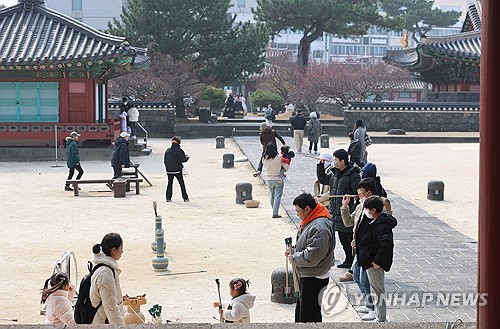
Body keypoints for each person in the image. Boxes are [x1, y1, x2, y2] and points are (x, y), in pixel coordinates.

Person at [340, 178, 387, 320]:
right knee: (356, 277)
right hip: (360, 251)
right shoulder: (361, 206)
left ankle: (374, 309)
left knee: (367, 281)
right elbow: (349, 222)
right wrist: (344, 207)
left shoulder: (376, 210)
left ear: (369, 192)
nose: (358, 193)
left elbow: (377, 236)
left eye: (361, 190)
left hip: (370, 253)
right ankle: (369, 305)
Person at [287, 193, 333, 322]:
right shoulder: (311, 219)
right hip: (308, 273)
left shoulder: (319, 227)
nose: (297, 215)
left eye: (298, 211)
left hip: (314, 276)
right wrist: (294, 251)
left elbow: (313, 256)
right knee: (303, 313)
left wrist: (295, 257)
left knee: (309, 315)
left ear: (307, 209)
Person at [355, 196, 397, 322]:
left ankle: (381, 318)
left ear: (373, 210)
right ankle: (380, 316)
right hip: (370, 260)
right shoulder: (374, 221)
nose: (366, 211)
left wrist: (377, 262)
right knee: (375, 290)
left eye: (367, 209)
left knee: (378, 291)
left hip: (375, 263)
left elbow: (386, 245)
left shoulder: (381, 225)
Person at [317, 149, 361, 269]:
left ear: (342, 161)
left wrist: (351, 205)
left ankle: (352, 261)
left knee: (348, 238)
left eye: (336, 160)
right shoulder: (333, 173)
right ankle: (348, 259)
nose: (334, 162)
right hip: (335, 211)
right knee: (342, 238)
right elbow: (322, 179)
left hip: (347, 211)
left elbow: (358, 193)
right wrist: (320, 165)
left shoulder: (353, 175)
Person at [90, 233, 125, 324]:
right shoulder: (105, 273)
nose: (122, 251)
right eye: (121, 248)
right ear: (113, 250)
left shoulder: (105, 268)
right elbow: (110, 307)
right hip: (103, 322)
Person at [262, 144, 289, 218]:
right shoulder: (279, 158)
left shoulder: (264, 159)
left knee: (272, 195)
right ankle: (275, 213)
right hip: (278, 179)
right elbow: (286, 167)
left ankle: (274, 210)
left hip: (269, 179)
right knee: (278, 196)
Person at [164, 136, 190, 202]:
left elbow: (165, 161)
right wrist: (187, 158)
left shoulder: (167, 150)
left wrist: (167, 168)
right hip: (177, 170)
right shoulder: (179, 151)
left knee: (170, 183)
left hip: (169, 170)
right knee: (181, 184)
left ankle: (168, 197)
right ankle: (185, 197)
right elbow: (182, 159)